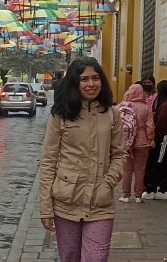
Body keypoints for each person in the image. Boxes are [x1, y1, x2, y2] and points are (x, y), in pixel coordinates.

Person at [39, 57, 126, 262]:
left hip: (100, 202)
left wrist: (107, 183)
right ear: (74, 83)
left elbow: (120, 154)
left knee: (96, 258)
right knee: (69, 257)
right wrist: (45, 207)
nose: (91, 84)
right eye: (84, 79)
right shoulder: (61, 115)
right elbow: (49, 159)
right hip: (66, 201)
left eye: (95, 78)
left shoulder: (112, 114)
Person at [117, 83, 155, 204]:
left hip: (127, 142)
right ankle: (138, 196)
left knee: (127, 170)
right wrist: (151, 139)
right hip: (142, 142)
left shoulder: (123, 106)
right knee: (140, 170)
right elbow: (150, 127)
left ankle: (125, 195)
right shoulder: (146, 108)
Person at [142, 81, 167, 200]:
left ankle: (161, 189)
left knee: (160, 162)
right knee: (162, 162)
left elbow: (161, 123)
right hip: (164, 137)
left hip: (164, 138)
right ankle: (160, 188)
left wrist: (153, 130)